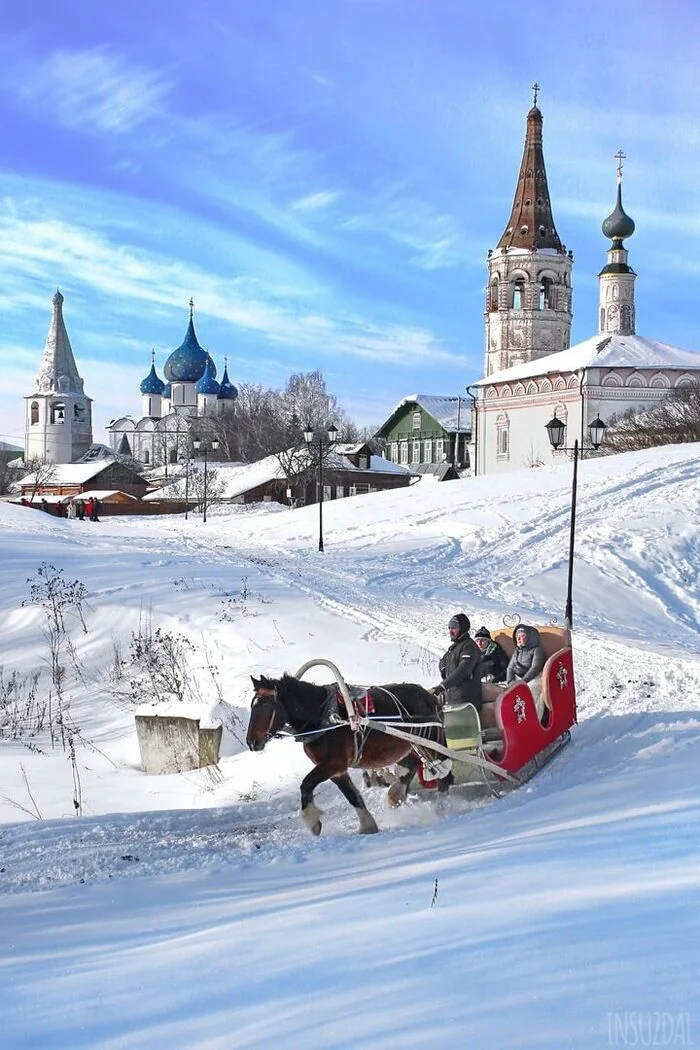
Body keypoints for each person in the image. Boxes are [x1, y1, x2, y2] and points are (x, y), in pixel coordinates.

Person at [431, 613, 483, 708]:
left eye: (454, 627)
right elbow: (442, 661)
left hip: (467, 702)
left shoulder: (469, 646)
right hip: (453, 700)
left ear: (462, 628)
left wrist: (442, 686)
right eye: (449, 627)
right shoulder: (453, 648)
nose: (451, 631)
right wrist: (444, 670)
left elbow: (463, 670)